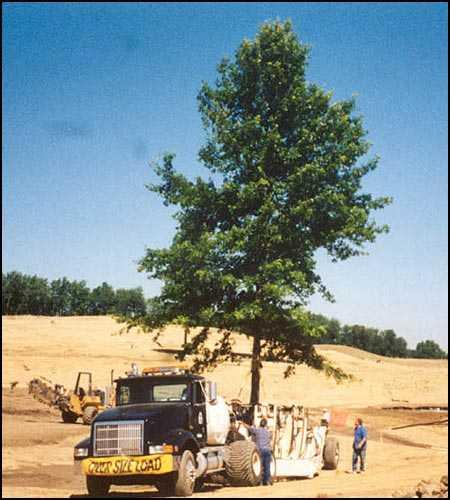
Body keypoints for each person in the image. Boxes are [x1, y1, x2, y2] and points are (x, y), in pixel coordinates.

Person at [244, 418, 273, 486]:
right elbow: (270, 438)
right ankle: (267, 481)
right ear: (266, 424)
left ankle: (260, 482)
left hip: (260, 450)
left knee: (260, 467)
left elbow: (249, 428)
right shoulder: (268, 432)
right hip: (267, 450)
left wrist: (243, 424)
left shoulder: (257, 430)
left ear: (260, 424)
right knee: (267, 467)